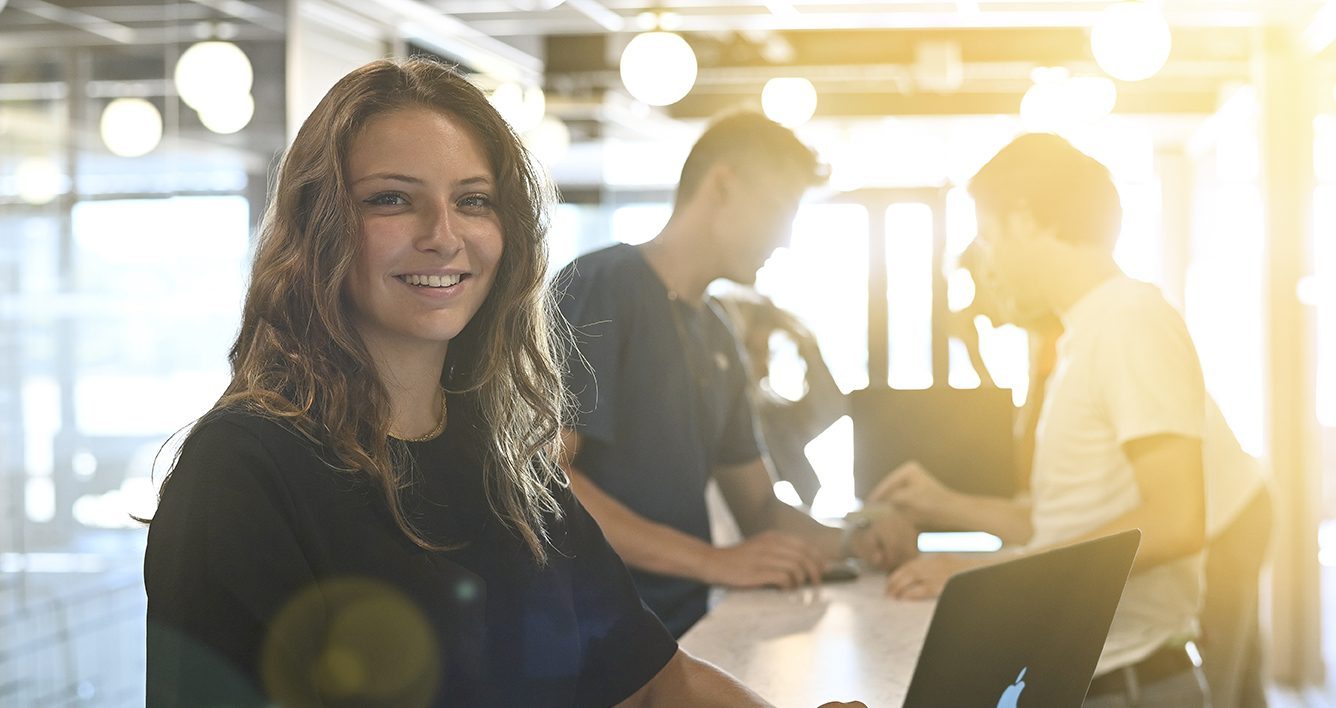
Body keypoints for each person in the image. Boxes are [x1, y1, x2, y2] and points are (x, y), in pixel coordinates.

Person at [142, 57, 865, 708]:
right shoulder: (241, 470)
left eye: (474, 200)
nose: (443, 235)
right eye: (392, 199)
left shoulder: (512, 474)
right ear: (319, 225)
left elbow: (653, 684)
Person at [873, 133, 1212, 707]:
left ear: (1026, 221)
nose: (987, 258)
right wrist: (945, 507)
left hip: (1132, 685)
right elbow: (1065, 524)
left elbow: (1177, 519)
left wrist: (984, 585)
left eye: (988, 234)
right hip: (1092, 675)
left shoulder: (1130, 320)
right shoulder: (1085, 334)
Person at [554, 111, 916, 638]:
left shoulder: (717, 330)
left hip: (684, 635)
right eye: (781, 208)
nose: (787, 238)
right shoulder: (603, 285)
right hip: (595, 642)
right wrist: (711, 560)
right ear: (723, 185)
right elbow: (549, 481)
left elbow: (761, 508)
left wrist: (852, 537)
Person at [716, 291, 846, 507]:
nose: (764, 368)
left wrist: (807, 346)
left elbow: (831, 408)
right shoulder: (718, 425)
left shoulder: (774, 418)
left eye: (768, 353)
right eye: (754, 352)